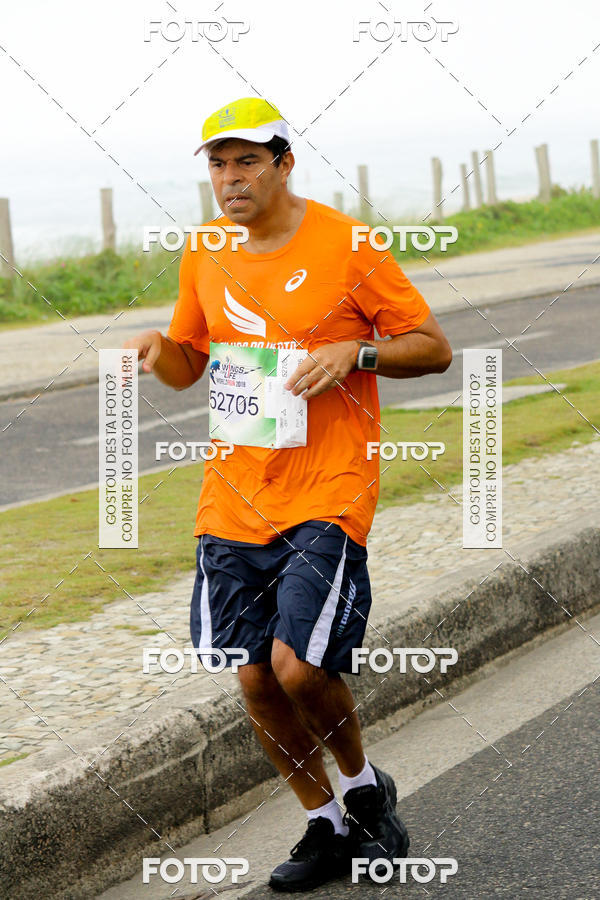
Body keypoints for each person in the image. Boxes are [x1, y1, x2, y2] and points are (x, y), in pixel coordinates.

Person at [124, 96, 452, 893]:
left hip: (329, 484)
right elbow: (190, 364)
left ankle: (366, 789)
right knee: (254, 678)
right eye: (217, 165)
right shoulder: (204, 251)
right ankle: (325, 822)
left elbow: (433, 349)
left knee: (300, 668)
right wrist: (158, 350)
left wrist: (358, 352)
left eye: (246, 162)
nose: (230, 179)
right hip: (234, 492)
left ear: (283, 163)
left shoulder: (348, 244)